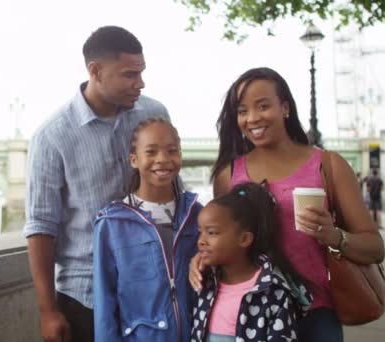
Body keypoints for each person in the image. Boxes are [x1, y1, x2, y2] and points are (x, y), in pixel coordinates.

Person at [189, 67, 385, 342]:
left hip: (315, 316)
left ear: (285, 108)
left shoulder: (328, 166)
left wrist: (334, 236)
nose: (252, 118)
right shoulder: (228, 174)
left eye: (263, 106)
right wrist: (202, 258)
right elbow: (220, 237)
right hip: (251, 315)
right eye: (243, 111)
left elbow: (375, 247)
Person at [23, 26, 171, 342]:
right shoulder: (52, 136)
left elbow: (174, 192)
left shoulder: (154, 114)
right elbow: (41, 227)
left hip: (151, 289)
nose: (140, 84)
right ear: (95, 71)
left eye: (142, 73)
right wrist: (48, 311)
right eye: (130, 75)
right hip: (84, 297)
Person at [93, 118, 202, 341]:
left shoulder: (198, 215)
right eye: (151, 152)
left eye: (172, 151)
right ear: (134, 160)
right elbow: (104, 301)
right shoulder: (112, 224)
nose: (162, 160)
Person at [191, 182, 311, 342]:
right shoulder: (205, 281)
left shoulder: (274, 291)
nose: (201, 241)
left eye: (211, 232)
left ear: (244, 239)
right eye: (201, 232)